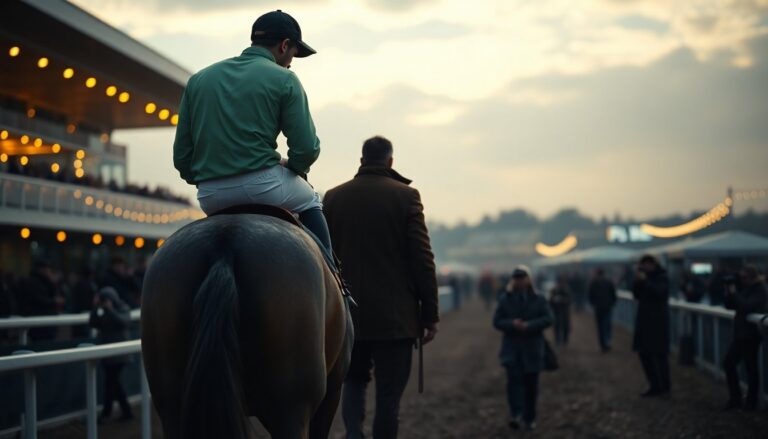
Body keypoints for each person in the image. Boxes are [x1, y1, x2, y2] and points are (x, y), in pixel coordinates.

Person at [172, 10, 334, 257]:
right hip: (264, 185)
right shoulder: (286, 79)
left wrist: (206, 177)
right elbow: (307, 149)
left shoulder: (199, 79)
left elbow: (182, 157)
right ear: (284, 45)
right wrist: (292, 166)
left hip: (210, 194)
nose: (291, 62)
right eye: (293, 55)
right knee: (311, 199)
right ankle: (335, 277)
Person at [323, 135, 439, 439]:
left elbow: (324, 256)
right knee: (389, 398)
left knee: (352, 382)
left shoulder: (333, 198)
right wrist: (430, 313)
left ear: (361, 161)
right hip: (395, 318)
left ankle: (353, 434)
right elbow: (422, 259)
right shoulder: (407, 196)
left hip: (346, 313)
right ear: (390, 162)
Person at [493, 266, 552, 432]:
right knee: (514, 383)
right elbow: (496, 321)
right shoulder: (506, 299)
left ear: (528, 279)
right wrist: (512, 324)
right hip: (512, 350)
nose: (519, 281)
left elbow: (548, 318)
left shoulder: (539, 299)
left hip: (533, 348)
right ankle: (516, 414)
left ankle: (530, 417)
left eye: (522, 277)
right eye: (516, 278)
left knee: (531, 386)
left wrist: (529, 326)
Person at [722, 265, 767, 410]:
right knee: (734, 364)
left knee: (749, 368)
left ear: (752, 276)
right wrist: (729, 292)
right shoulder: (746, 288)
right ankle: (739, 399)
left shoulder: (760, 290)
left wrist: (734, 293)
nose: (742, 280)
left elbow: (747, 306)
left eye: (744, 277)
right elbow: (730, 306)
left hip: (751, 334)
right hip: (742, 333)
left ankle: (749, 401)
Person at [89, 287, 133, 422]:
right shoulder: (102, 311)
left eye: (106, 299)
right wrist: (96, 307)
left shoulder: (123, 307)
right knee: (114, 384)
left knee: (111, 384)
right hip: (107, 354)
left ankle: (106, 414)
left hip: (120, 354)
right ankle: (127, 412)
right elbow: (93, 323)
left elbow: (124, 321)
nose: (105, 302)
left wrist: (110, 309)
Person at [632, 255, 671, 398]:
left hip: (658, 322)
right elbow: (636, 295)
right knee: (644, 354)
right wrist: (638, 281)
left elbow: (660, 292)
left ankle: (664, 387)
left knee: (660, 355)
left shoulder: (662, 277)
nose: (646, 267)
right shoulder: (645, 278)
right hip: (645, 321)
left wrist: (645, 281)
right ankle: (654, 385)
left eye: (648, 264)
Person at [589, 268, 617, 352]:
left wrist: (594, 304)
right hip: (607, 307)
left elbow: (590, 295)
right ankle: (607, 342)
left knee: (600, 326)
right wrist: (612, 303)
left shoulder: (594, 283)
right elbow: (613, 294)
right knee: (607, 326)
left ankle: (603, 345)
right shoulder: (609, 282)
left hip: (598, 308)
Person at [548, 276, 571, 346]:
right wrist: (554, 300)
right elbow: (550, 301)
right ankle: (557, 340)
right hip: (556, 311)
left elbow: (570, 300)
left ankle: (565, 340)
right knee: (557, 326)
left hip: (564, 311)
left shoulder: (567, 290)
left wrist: (563, 300)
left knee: (565, 326)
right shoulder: (554, 290)